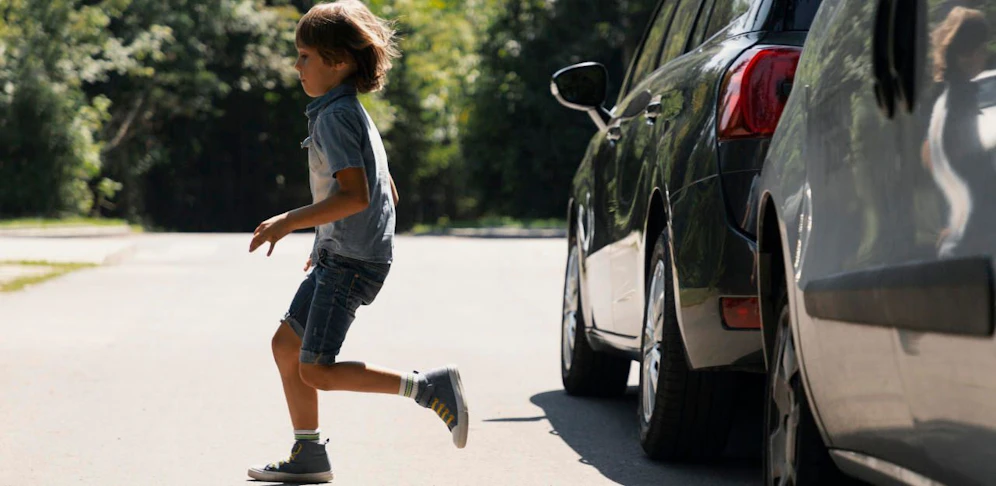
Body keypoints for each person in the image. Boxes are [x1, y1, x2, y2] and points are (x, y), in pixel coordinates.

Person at [246, 2, 468, 482]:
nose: (297, 65)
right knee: (287, 347)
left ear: (338, 61)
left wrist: (289, 221)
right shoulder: (343, 111)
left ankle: (428, 387)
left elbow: (357, 193)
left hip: (350, 261)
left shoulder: (336, 118)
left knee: (317, 369)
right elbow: (383, 187)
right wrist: (325, 239)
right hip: (341, 254)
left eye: (305, 55)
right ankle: (309, 453)